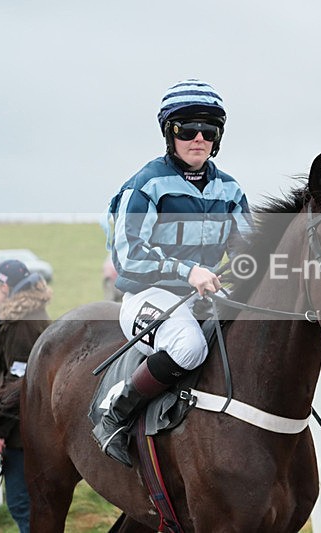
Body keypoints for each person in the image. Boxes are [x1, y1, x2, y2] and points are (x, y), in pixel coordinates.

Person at [93, 79, 253, 467]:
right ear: (170, 133)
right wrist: (187, 271)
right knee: (189, 347)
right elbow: (128, 256)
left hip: (206, 295)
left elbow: (247, 250)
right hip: (147, 296)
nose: (199, 138)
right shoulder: (145, 185)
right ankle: (115, 413)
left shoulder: (230, 190)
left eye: (208, 131)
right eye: (187, 129)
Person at [0, 259, 53, 533]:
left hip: (21, 434)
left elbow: (17, 386)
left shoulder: (22, 324)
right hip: (25, 430)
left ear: (6, 287)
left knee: (23, 505)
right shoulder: (26, 317)